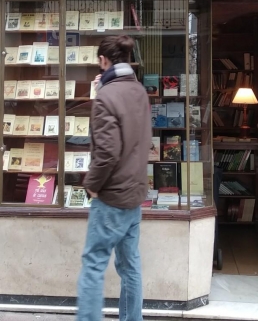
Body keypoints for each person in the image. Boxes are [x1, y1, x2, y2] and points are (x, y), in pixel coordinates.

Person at [77, 35, 151, 321]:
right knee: (130, 265)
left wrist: (91, 185)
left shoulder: (106, 96)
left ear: (103, 61)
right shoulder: (139, 91)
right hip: (134, 194)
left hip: (111, 196)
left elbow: (107, 153)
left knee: (94, 264)